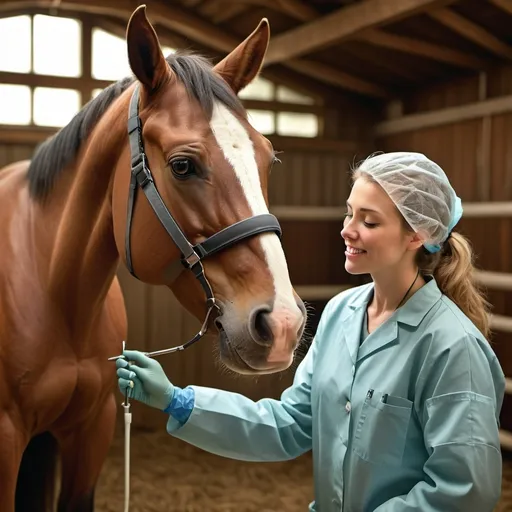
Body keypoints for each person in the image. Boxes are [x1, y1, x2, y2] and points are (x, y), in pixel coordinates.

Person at [117, 152, 505, 511]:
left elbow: (464, 490)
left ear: (417, 235)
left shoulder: (453, 348)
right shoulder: (341, 313)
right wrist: (177, 400)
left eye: (369, 221)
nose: (347, 231)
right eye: (349, 213)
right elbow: (290, 424)